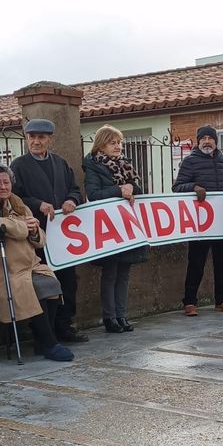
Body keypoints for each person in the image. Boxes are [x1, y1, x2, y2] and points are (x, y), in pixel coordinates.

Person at [0, 164, 73, 361]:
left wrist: (33, 230)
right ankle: (50, 344)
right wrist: (23, 226)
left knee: (50, 284)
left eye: (6, 182)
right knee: (29, 289)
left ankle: (42, 341)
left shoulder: (18, 205)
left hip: (24, 267)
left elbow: (40, 237)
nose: (2, 187)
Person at [10, 119, 89, 343]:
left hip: (63, 235)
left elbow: (75, 189)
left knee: (69, 280)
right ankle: (44, 333)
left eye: (41, 137)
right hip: (36, 236)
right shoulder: (19, 166)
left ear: (49, 139)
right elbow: (14, 197)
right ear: (26, 138)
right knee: (44, 282)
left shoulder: (61, 163)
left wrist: (72, 201)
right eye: (32, 137)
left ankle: (65, 326)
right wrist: (37, 204)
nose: (36, 141)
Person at [83, 125, 148, 333]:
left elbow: (136, 187)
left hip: (126, 225)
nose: (118, 146)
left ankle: (122, 315)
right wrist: (119, 190)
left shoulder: (125, 164)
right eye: (113, 142)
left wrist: (130, 189)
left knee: (124, 274)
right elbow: (93, 194)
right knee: (110, 274)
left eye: (119, 142)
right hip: (107, 226)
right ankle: (109, 318)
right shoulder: (93, 165)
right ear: (101, 144)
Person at [174, 125, 223, 315]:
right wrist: (195, 188)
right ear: (198, 142)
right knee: (196, 263)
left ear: (215, 141)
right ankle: (190, 302)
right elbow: (177, 187)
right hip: (199, 223)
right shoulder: (189, 162)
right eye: (203, 138)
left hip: (221, 222)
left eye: (210, 138)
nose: (207, 141)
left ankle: (222, 300)